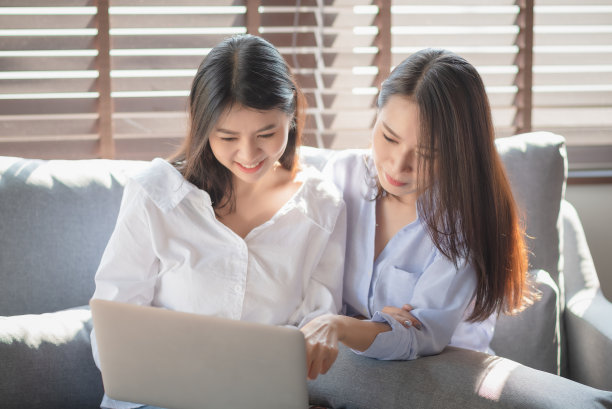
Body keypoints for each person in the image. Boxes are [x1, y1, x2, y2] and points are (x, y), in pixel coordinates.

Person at [89, 34, 346, 409]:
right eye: (227, 136)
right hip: (155, 401)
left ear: (291, 117)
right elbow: (111, 331)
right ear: (202, 126)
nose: (248, 154)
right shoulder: (155, 195)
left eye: (267, 133)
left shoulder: (322, 205)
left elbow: (319, 320)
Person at [301, 48, 538, 379]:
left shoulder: (463, 218)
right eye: (388, 137)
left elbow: (419, 337)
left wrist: (343, 324)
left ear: (459, 153)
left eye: (426, 153)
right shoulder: (341, 176)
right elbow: (307, 283)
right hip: (355, 373)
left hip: (444, 379)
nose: (398, 165)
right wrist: (372, 327)